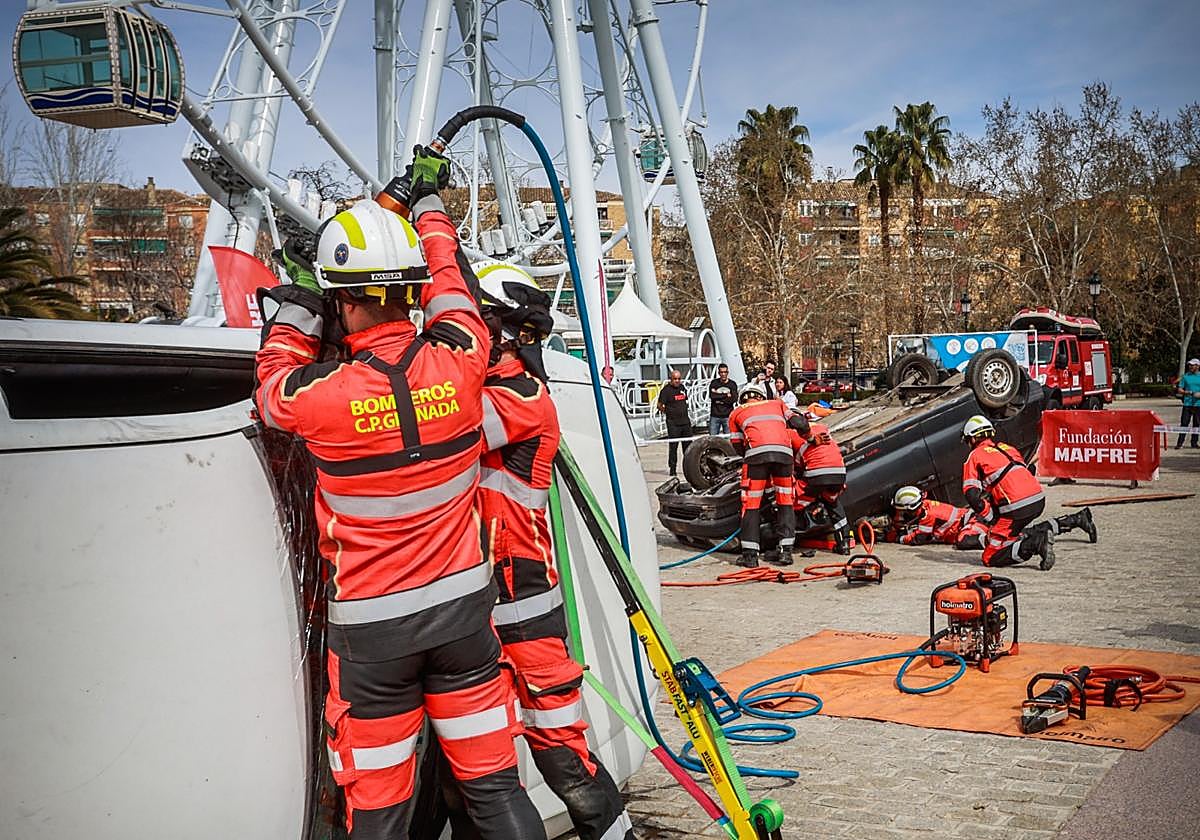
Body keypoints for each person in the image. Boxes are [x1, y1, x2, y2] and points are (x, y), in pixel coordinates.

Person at [254, 151, 545, 840]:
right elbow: (452, 287)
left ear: (341, 300)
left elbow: (270, 381)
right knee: (496, 791)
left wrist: (298, 301)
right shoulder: (464, 356)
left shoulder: (318, 399)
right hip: (465, 622)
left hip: (374, 642)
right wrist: (430, 208)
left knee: (378, 810)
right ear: (410, 294)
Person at [465, 261, 632, 840]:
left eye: (470, 320)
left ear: (499, 330)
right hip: (480, 597)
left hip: (521, 595)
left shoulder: (519, 396)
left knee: (563, 752)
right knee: (480, 767)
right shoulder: (497, 386)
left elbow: (434, 434)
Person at [960, 414, 1055, 570]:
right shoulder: (1007, 448)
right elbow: (1027, 471)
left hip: (1016, 507)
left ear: (972, 439)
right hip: (1038, 500)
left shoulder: (975, 456)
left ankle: (1035, 543)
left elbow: (971, 495)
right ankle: (1026, 537)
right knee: (1007, 533)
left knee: (989, 557)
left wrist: (990, 517)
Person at [729, 382, 799, 567]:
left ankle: (750, 556)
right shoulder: (777, 404)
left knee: (751, 505)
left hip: (756, 459)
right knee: (785, 502)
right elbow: (798, 422)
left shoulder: (736, 413)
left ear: (743, 398)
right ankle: (786, 552)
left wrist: (749, 456)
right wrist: (809, 436)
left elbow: (736, 443)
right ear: (761, 396)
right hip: (784, 457)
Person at [790, 412, 850, 557]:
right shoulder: (822, 428)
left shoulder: (792, 434)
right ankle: (844, 544)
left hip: (816, 474)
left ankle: (786, 544)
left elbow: (797, 464)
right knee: (832, 501)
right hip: (839, 472)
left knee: (795, 501)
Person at [886, 485, 988, 550]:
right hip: (972, 518)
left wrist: (898, 538)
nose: (901, 515)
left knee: (963, 542)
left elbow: (920, 538)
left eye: (902, 512)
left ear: (911, 509)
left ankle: (991, 540)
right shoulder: (924, 505)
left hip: (975, 521)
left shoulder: (927, 515)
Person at [656, 368, 691, 477]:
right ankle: (672, 469)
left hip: (685, 422)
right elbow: (659, 405)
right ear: (671, 379)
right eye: (675, 379)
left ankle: (689, 468)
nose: (677, 381)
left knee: (688, 448)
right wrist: (667, 412)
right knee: (673, 447)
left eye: (679, 379)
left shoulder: (682, 388)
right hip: (673, 423)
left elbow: (685, 400)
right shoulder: (666, 390)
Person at [1175, 358, 1200, 449]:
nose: (1190, 366)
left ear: (1197, 366)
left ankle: (1194, 443)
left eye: (1192, 365)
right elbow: (1180, 389)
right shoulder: (1185, 376)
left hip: (1198, 405)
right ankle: (1180, 443)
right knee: (1184, 423)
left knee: (1196, 424)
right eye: (1189, 365)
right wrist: (1189, 393)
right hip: (1187, 404)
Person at [707, 363, 738, 435]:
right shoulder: (714, 383)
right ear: (719, 373)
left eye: (725, 372)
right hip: (715, 416)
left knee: (728, 439)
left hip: (727, 416)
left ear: (728, 373)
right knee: (713, 439)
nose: (723, 374)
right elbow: (712, 396)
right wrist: (726, 395)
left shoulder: (732, 384)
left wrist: (718, 396)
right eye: (721, 372)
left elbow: (733, 399)